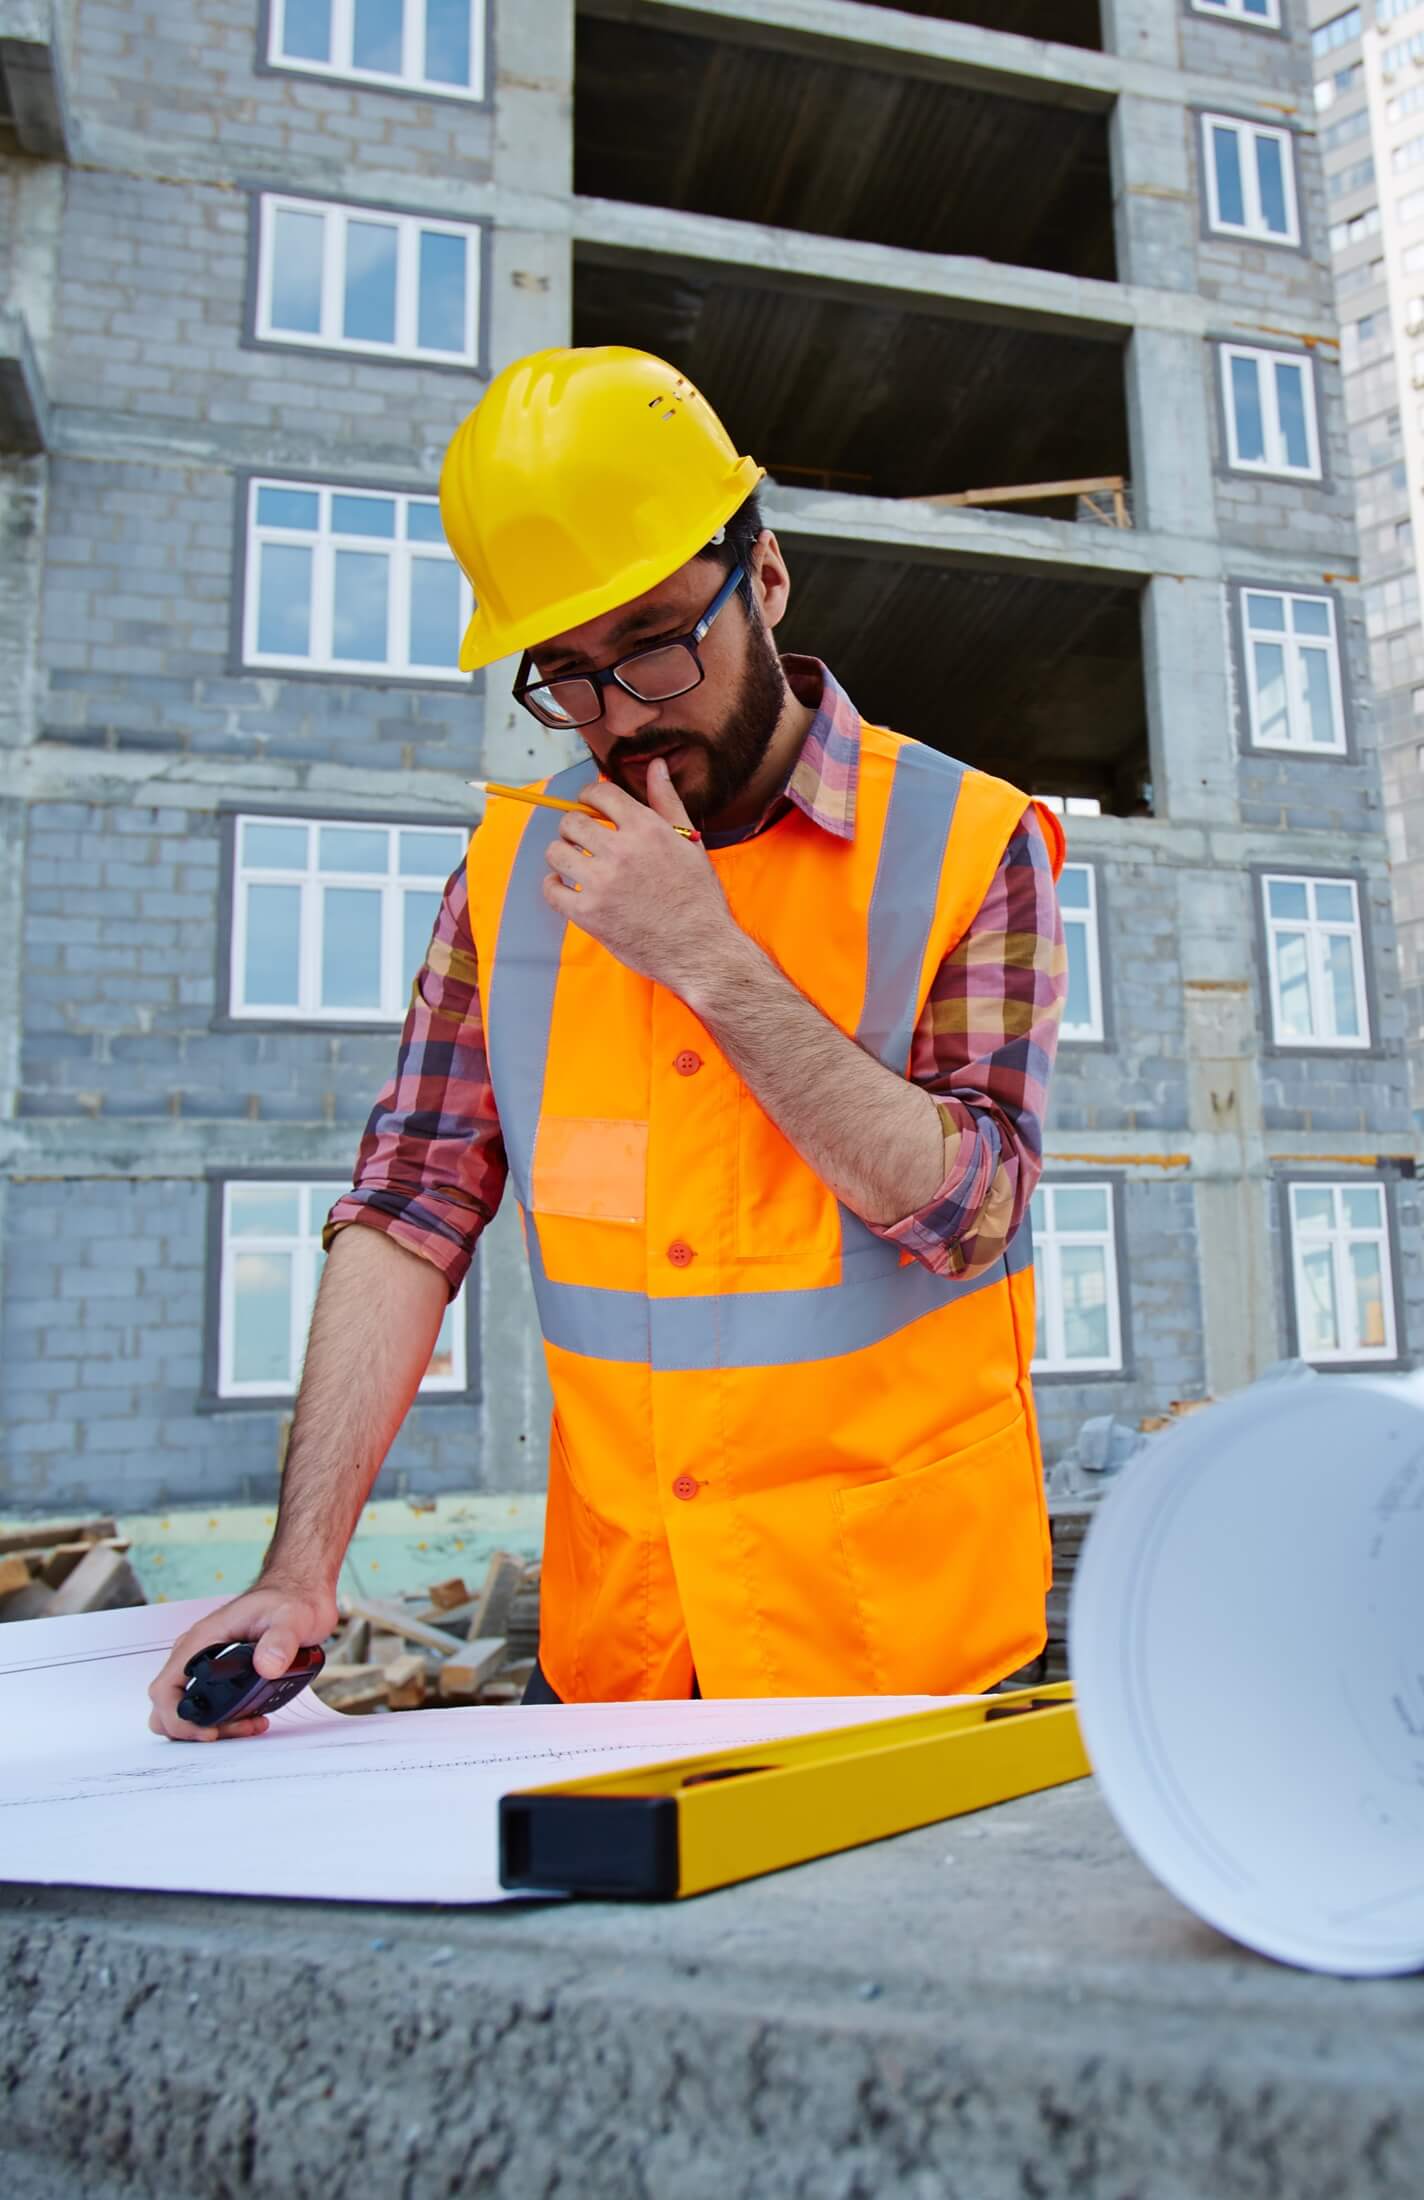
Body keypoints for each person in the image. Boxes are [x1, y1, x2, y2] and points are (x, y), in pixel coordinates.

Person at [148, 345, 1067, 1739]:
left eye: (653, 642)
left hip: (900, 1653)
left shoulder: (963, 840)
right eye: (568, 675)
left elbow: (971, 1210)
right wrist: (300, 1570)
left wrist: (705, 956)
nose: (620, 715)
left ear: (763, 579)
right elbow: (407, 1210)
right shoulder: (512, 873)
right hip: (622, 1653)